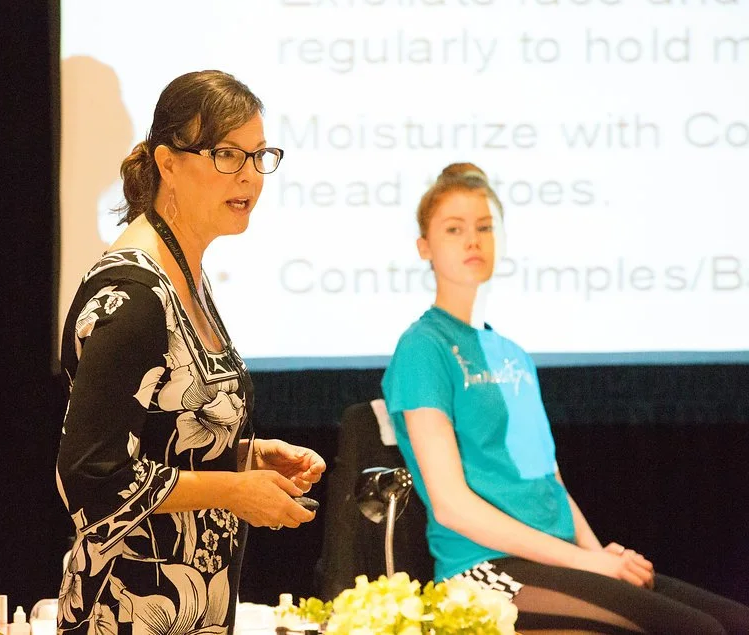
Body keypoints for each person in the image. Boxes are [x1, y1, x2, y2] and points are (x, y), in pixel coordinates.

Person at [382, 163, 749, 633]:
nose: (473, 240)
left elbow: (549, 482)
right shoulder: (423, 347)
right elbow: (451, 504)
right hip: (481, 571)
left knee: (734, 622)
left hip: (557, 562)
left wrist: (599, 558)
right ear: (425, 248)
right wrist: (589, 565)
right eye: (454, 229)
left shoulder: (511, 354)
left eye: (484, 227)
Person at [56, 70, 326, 634]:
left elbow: (162, 432)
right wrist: (233, 490)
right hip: (128, 608)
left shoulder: (186, 272)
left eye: (259, 155)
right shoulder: (132, 295)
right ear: (168, 162)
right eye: (227, 154)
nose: (249, 175)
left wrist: (243, 454)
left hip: (191, 609)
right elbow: (89, 475)